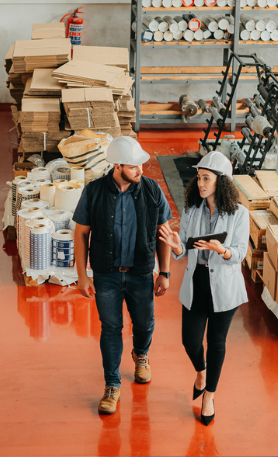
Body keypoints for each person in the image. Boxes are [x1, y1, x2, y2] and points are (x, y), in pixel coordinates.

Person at [73, 136, 173, 415]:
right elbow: (81, 233)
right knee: (111, 328)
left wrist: (164, 272)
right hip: (106, 275)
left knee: (144, 324)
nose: (141, 170)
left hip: (141, 273)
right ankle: (112, 385)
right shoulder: (93, 192)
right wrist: (82, 275)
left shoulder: (152, 190)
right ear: (117, 166)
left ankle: (141, 354)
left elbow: (163, 232)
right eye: (133, 166)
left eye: (141, 164)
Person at [157, 151, 248, 426]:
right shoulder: (191, 209)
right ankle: (201, 371)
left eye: (206, 178)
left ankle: (209, 396)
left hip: (225, 286)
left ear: (222, 181)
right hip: (197, 281)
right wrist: (177, 247)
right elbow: (185, 247)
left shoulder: (239, 213)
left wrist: (222, 250)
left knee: (216, 343)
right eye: (199, 178)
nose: (200, 183)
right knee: (190, 340)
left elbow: (240, 252)